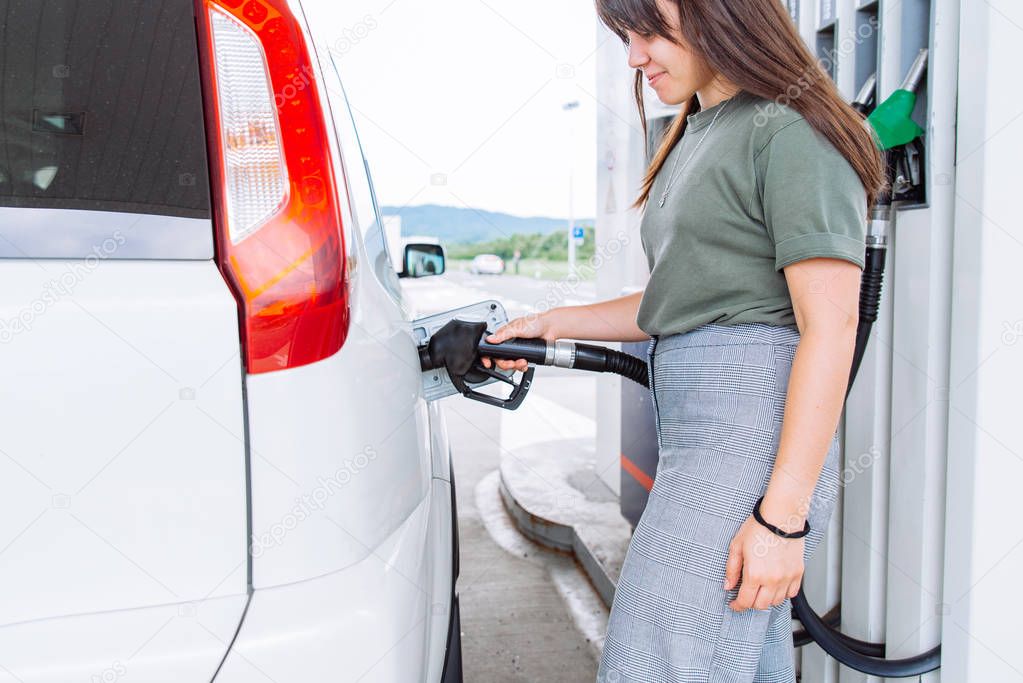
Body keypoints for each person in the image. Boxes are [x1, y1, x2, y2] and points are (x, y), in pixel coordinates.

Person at [480, 0, 885, 680]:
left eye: (648, 32)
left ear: (718, 14)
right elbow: (683, 299)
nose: (633, 57)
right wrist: (554, 322)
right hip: (696, 438)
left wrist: (782, 520)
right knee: (733, 662)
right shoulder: (696, 130)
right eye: (624, 37)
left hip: (746, 439)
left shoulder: (789, 130)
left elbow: (831, 324)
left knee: (654, 663)